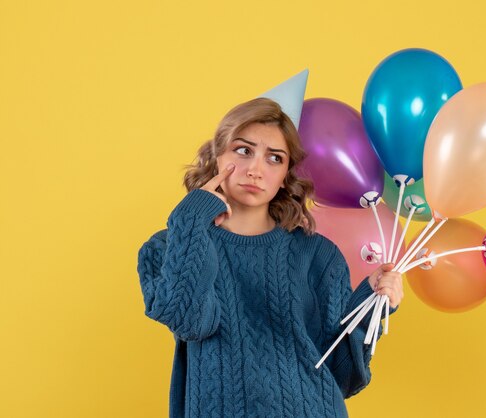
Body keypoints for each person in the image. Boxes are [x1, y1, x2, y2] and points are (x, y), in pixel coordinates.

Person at [137, 97, 404, 418]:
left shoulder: (318, 254)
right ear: (216, 155)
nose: (255, 170)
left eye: (274, 158)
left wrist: (370, 304)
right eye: (243, 150)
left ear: (286, 174)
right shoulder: (166, 246)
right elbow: (189, 320)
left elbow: (339, 374)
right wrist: (192, 219)